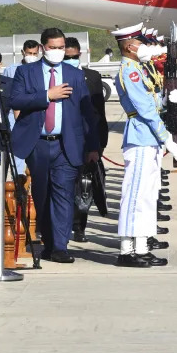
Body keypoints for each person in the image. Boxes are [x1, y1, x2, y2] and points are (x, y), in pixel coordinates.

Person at [10, 28, 100, 264]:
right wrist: (46, 95)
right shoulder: (25, 72)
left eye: (61, 47)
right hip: (37, 144)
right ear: (42, 48)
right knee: (42, 195)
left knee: (63, 194)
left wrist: (93, 146)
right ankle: (48, 242)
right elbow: (15, 99)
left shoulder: (74, 75)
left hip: (66, 145)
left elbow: (87, 113)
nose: (58, 52)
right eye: (53, 47)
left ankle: (60, 246)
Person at [112, 24, 177, 267]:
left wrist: (167, 101)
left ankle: (141, 245)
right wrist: (166, 138)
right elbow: (144, 109)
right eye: (140, 43)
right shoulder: (129, 71)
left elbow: (152, 102)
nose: (145, 47)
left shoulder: (138, 69)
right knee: (134, 196)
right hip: (141, 136)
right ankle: (127, 249)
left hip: (149, 137)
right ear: (131, 47)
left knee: (145, 196)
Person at [65, 37, 109, 242]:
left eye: (74, 57)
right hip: (62, 139)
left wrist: (100, 142)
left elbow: (99, 110)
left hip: (87, 141)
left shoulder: (92, 77)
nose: (71, 60)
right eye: (67, 57)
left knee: (85, 186)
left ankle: (79, 227)